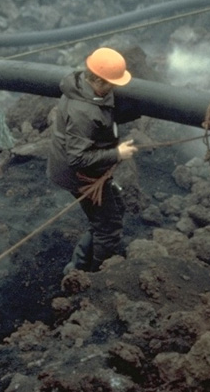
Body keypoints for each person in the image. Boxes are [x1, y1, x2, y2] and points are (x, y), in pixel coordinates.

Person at [47, 47, 139, 272]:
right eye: (112, 83)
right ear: (98, 80)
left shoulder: (82, 88)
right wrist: (117, 154)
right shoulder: (84, 112)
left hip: (78, 170)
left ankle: (79, 265)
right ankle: (91, 275)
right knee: (109, 228)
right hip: (79, 175)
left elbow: (104, 115)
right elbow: (77, 158)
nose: (116, 87)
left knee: (114, 209)